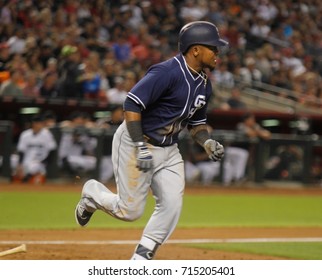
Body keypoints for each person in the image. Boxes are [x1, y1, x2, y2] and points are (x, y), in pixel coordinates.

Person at [75, 21, 227, 260]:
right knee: (129, 211)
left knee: (171, 205)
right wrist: (139, 146)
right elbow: (132, 103)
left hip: (169, 148)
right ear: (196, 49)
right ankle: (92, 193)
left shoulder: (205, 84)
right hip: (137, 141)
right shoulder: (167, 72)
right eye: (214, 48)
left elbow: (196, 124)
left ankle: (141, 258)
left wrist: (207, 142)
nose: (218, 53)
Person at [11, 114, 57, 183]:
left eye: (39, 123)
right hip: (25, 160)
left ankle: (25, 180)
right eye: (36, 122)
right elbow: (21, 150)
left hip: (38, 161)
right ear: (33, 123)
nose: (37, 124)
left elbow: (52, 150)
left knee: (33, 167)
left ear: (42, 123)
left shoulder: (47, 134)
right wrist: (19, 164)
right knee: (11, 159)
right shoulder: (25, 134)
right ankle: (12, 179)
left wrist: (45, 162)